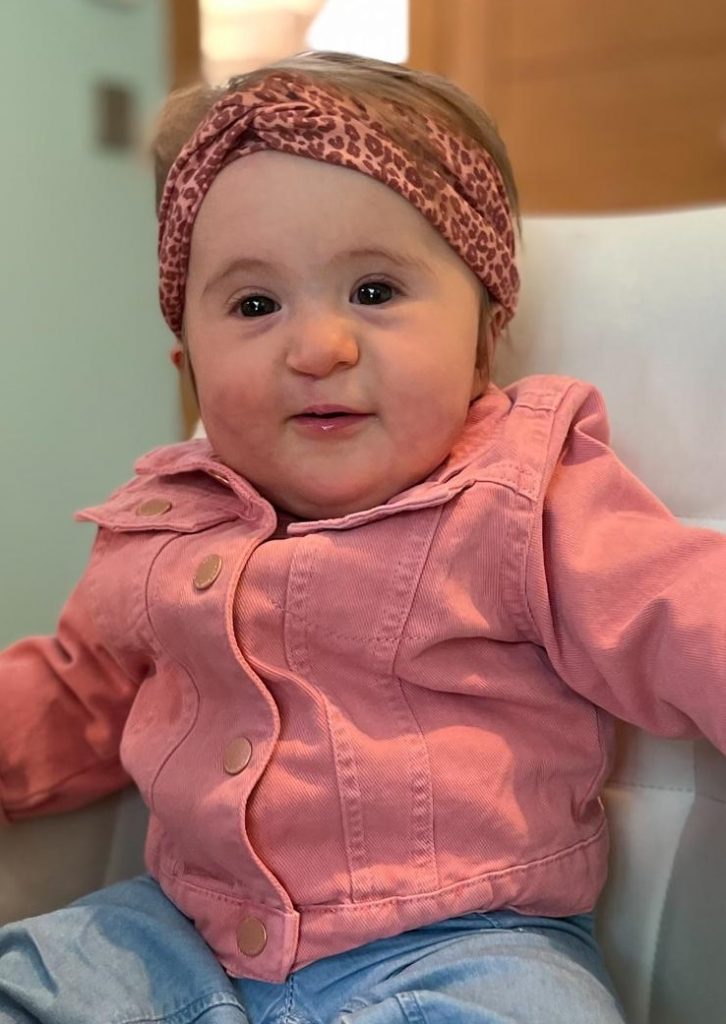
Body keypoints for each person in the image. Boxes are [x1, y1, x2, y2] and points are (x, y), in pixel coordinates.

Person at [0, 49, 723, 1024]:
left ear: (484, 331)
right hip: (166, 935)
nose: (319, 347)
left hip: (462, 947)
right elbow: (79, 691)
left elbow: (679, 612)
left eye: (375, 292)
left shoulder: (522, 492)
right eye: (256, 305)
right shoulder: (163, 516)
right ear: (189, 364)